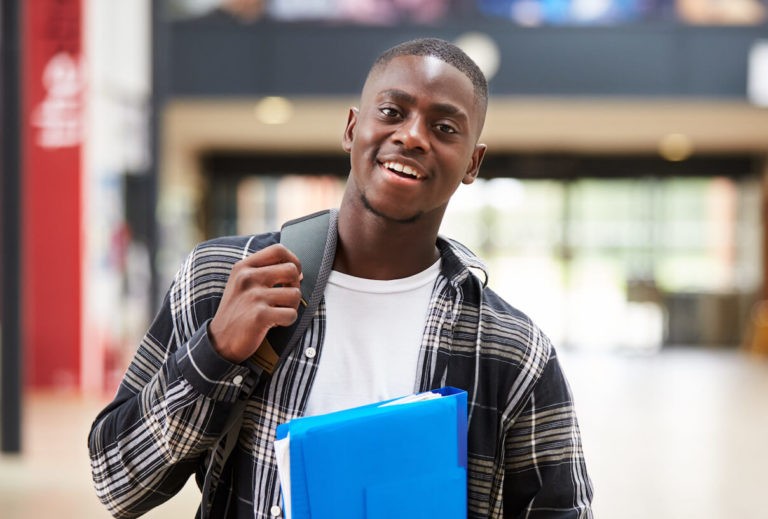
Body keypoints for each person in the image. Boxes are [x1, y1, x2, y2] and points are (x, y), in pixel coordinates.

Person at [88, 37, 593, 518]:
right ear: (352, 128)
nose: (413, 136)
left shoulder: (513, 350)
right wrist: (217, 350)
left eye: (444, 128)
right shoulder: (223, 278)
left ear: (472, 163)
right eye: (392, 112)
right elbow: (118, 482)